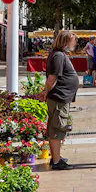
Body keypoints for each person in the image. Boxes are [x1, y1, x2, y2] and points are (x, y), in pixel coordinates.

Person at [39, 30, 79, 170]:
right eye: (73, 40)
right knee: (57, 128)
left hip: (61, 96)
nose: (74, 43)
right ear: (65, 41)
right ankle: (56, 161)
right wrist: (45, 91)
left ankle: (56, 157)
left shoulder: (59, 54)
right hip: (59, 96)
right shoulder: (58, 56)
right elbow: (52, 78)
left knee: (56, 127)